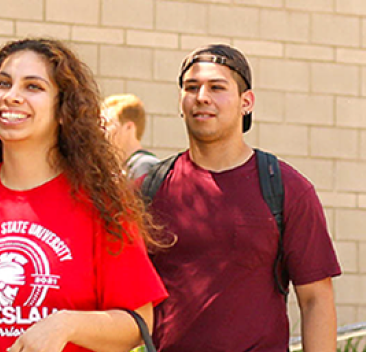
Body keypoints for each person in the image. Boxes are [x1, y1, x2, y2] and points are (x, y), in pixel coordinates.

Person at [0, 38, 166, 352]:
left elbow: (138, 323)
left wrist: (67, 325)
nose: (12, 96)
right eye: (3, 84)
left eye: (33, 87)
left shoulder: (101, 204)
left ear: (62, 111)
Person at [144, 44, 340, 352]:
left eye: (217, 87)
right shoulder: (148, 189)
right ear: (180, 102)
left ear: (245, 102)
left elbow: (316, 299)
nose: (202, 96)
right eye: (191, 87)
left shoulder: (288, 189)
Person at [101, 94, 159, 179]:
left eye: (107, 124)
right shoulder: (123, 169)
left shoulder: (144, 167)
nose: (102, 130)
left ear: (129, 127)